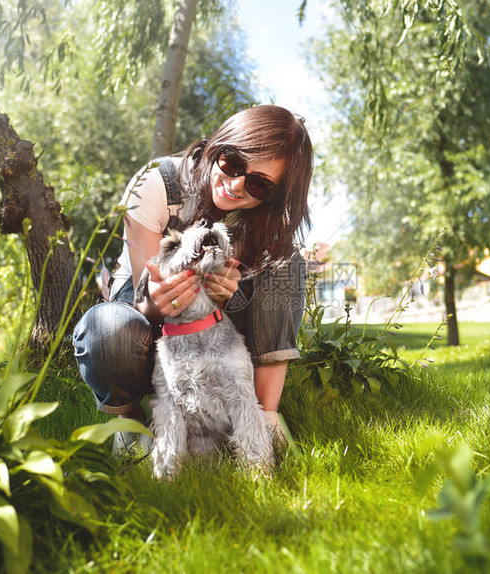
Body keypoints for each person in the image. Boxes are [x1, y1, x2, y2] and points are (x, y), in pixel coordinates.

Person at [72, 105, 312, 455]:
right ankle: (132, 421)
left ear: (275, 193)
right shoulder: (156, 183)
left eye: (259, 184)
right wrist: (156, 302)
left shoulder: (264, 222)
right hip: (150, 317)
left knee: (287, 259)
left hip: (223, 334)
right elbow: (146, 291)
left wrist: (225, 299)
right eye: (233, 162)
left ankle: (263, 419)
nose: (235, 185)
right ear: (219, 144)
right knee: (105, 329)